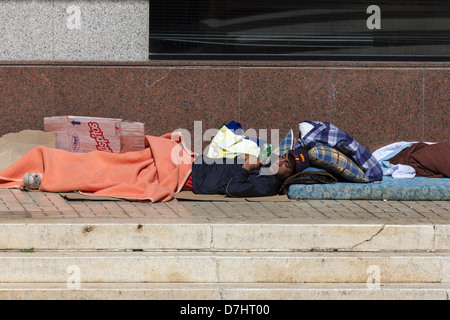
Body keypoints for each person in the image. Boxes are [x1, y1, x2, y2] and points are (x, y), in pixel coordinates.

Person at [183, 146, 310, 197]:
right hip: (202, 163)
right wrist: (245, 157)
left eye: (286, 165)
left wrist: (247, 167)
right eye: (283, 157)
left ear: (291, 175)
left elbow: (233, 188)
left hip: (196, 177)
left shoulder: (268, 185)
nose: (280, 162)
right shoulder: (271, 165)